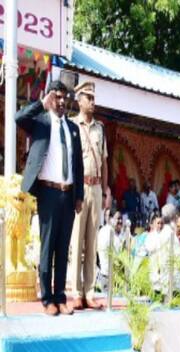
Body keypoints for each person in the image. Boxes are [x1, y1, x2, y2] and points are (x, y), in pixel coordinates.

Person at [15, 80, 85, 316]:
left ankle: (60, 297)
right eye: (57, 96)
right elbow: (19, 118)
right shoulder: (41, 122)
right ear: (50, 98)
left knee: (62, 248)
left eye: (65, 97)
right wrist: (40, 104)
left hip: (68, 193)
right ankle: (47, 299)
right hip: (47, 192)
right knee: (47, 248)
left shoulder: (73, 128)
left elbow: (78, 165)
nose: (62, 101)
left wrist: (79, 196)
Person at [70, 80, 111, 309]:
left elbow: (104, 162)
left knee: (92, 241)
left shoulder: (100, 128)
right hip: (79, 188)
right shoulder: (72, 125)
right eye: (89, 98)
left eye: (94, 98)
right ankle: (75, 291)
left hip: (96, 189)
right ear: (79, 100)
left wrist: (106, 191)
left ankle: (88, 292)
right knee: (77, 241)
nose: (93, 102)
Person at [96, 210, 125, 293]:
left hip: (119, 277)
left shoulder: (121, 233)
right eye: (118, 219)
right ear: (111, 219)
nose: (120, 221)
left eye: (121, 219)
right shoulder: (105, 232)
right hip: (107, 275)